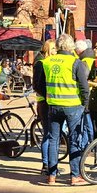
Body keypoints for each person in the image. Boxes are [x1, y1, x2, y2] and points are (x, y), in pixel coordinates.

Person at [34, 34, 90, 186]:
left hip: (53, 105)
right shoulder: (75, 62)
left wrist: (48, 96)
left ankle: (52, 176)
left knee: (53, 140)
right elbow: (84, 87)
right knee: (74, 139)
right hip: (73, 106)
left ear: (58, 46)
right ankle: (74, 176)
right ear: (71, 47)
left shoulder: (46, 62)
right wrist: (84, 105)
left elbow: (38, 84)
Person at [33, 39, 57, 176]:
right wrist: (47, 95)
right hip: (45, 102)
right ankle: (46, 164)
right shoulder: (40, 63)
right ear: (48, 49)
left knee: (50, 133)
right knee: (48, 134)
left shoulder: (48, 62)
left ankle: (48, 163)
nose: (55, 52)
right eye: (53, 49)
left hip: (49, 101)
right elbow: (37, 84)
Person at [76, 39, 96, 147]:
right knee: (88, 120)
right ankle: (87, 143)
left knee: (87, 121)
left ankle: (86, 144)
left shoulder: (84, 61)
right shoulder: (91, 57)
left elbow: (82, 79)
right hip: (91, 92)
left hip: (87, 93)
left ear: (79, 50)